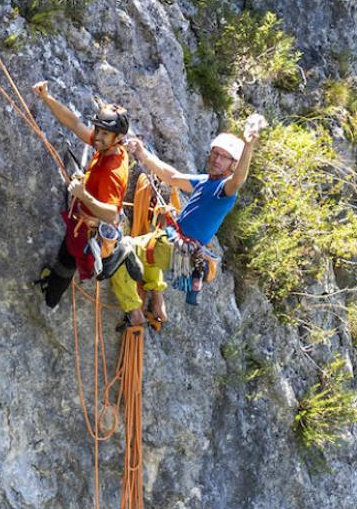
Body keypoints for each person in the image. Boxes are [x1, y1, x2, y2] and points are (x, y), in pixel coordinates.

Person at [112, 115, 266, 326]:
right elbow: (172, 177)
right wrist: (142, 153)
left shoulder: (224, 190)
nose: (216, 159)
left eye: (224, 157)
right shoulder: (205, 181)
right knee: (150, 250)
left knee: (120, 249)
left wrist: (249, 146)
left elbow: (238, 180)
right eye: (215, 153)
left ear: (233, 164)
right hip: (173, 243)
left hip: (175, 247)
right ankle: (157, 303)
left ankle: (133, 310)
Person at [31, 81, 142, 309]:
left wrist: (83, 195)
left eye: (104, 133)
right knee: (66, 257)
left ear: (118, 137)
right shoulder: (107, 146)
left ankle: (51, 297)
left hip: (88, 230)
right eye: (98, 130)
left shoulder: (113, 169)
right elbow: (74, 123)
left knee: (67, 262)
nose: (97, 137)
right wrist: (47, 97)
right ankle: (54, 284)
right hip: (81, 222)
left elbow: (111, 214)